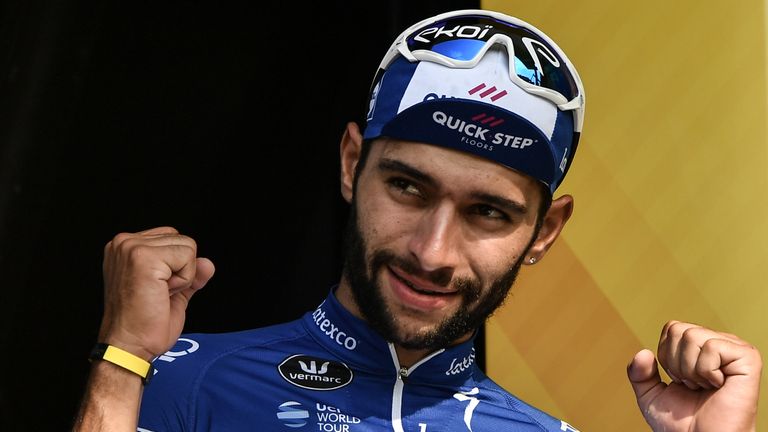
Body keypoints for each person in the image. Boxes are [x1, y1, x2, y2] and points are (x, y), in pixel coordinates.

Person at [73, 9, 762, 432]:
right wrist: (121, 360)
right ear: (350, 166)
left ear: (544, 233)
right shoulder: (181, 379)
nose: (433, 252)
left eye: (487, 211)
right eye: (407, 186)